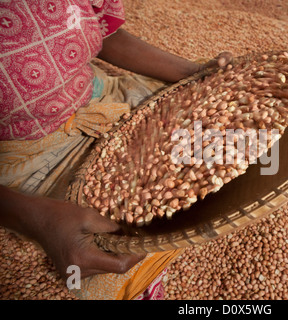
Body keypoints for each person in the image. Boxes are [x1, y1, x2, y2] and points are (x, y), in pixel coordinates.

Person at [0, 0, 231, 300]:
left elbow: (106, 33)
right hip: (28, 150)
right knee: (118, 244)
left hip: (98, 94)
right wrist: (37, 219)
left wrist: (196, 71)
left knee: (221, 133)